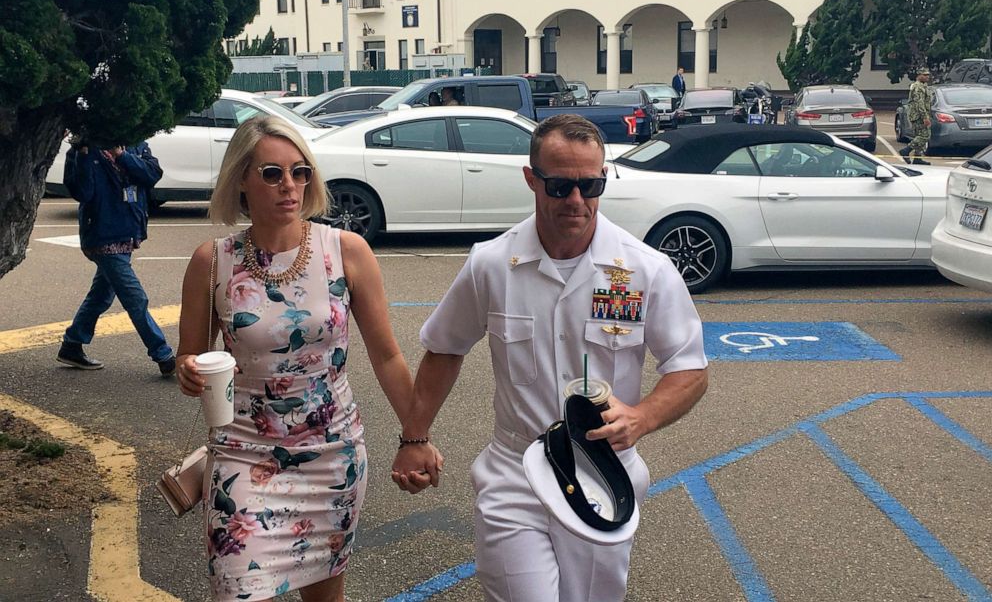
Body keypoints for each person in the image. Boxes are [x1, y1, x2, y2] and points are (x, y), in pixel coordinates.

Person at [392, 114, 708, 602]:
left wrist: (641, 418)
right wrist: (414, 436)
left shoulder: (644, 270)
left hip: (604, 472)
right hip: (515, 470)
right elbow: (445, 348)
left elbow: (689, 370)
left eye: (591, 184)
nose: (577, 201)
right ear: (531, 179)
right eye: (559, 186)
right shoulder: (493, 264)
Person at [176, 116, 441, 602]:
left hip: (332, 459)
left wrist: (416, 435)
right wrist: (190, 371)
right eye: (272, 174)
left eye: (300, 172)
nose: (290, 186)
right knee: (234, 589)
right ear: (241, 179)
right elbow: (187, 358)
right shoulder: (212, 261)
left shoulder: (346, 252)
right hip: (242, 455)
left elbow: (387, 357)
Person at [58, 139, 175, 374]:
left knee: (101, 295)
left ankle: (72, 344)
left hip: (127, 232)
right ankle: (163, 355)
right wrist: (82, 154)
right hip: (102, 234)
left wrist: (122, 155)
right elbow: (83, 192)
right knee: (135, 298)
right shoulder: (83, 151)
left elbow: (152, 174)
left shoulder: (135, 145)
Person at [900, 67, 932, 165]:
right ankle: (906, 150)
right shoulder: (917, 87)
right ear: (919, 75)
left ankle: (917, 158)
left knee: (919, 136)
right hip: (918, 116)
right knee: (924, 136)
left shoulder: (923, 86)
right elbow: (919, 103)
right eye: (925, 75)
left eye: (928, 75)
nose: (927, 77)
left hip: (921, 115)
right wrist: (925, 117)